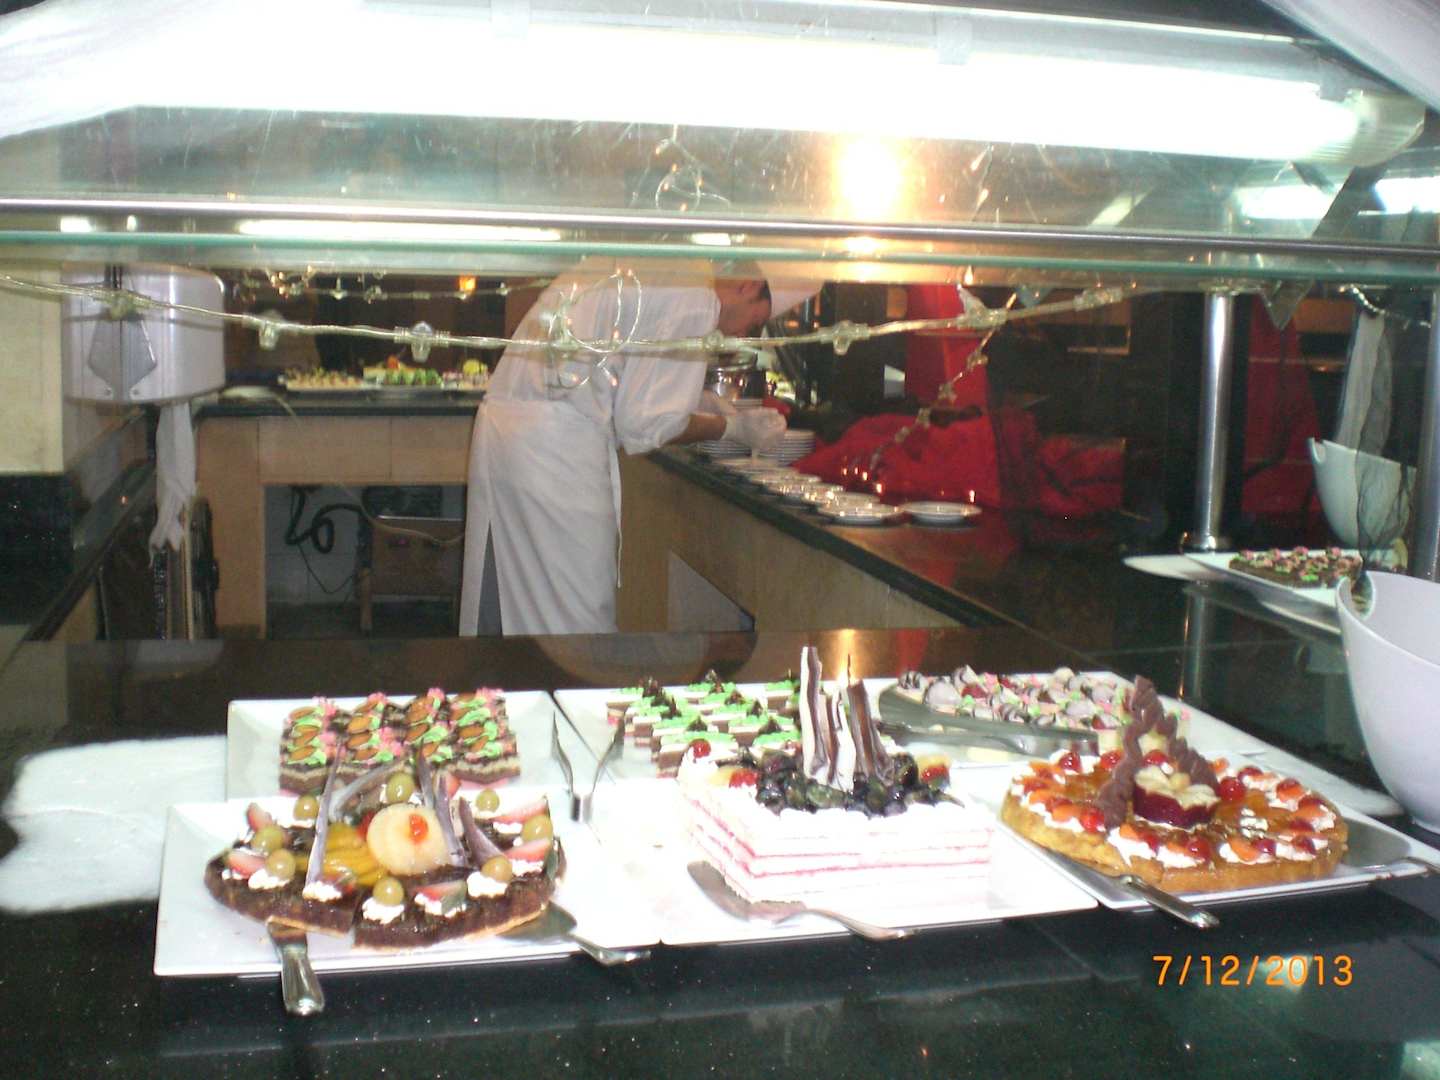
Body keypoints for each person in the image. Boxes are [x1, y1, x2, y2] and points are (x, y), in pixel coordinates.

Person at [459, 263, 816, 636]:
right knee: (578, 623)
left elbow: (624, 376)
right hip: (556, 454)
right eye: (756, 320)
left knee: (509, 607)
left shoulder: (664, 268)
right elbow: (644, 425)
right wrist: (732, 428)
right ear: (750, 285)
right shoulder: (696, 297)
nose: (743, 333)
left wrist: (702, 401)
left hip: (510, 434)